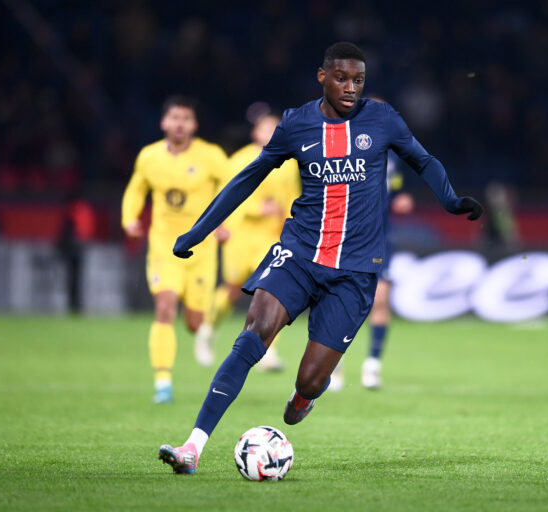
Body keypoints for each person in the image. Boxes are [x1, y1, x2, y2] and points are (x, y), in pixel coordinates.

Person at [158, 42, 483, 474]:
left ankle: (303, 398)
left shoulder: (382, 119)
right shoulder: (296, 124)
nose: (351, 88)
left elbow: (423, 161)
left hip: (354, 272)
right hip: (299, 254)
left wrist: (451, 200)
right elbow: (247, 179)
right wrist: (197, 232)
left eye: (359, 80)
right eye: (342, 78)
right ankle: (192, 448)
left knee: (310, 379)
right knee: (253, 337)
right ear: (322, 77)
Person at [122, 95, 229, 404]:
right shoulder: (149, 156)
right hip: (164, 248)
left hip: (201, 252)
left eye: (186, 118)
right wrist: (129, 220)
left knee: (194, 323)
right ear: (164, 122)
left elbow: (234, 189)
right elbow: (136, 190)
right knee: (165, 306)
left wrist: (224, 222)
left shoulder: (211, 156)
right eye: (175, 118)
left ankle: (204, 329)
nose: (180, 124)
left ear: (194, 125)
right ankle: (162, 381)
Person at [212, 112, 301, 371]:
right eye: (266, 127)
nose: (271, 132)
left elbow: (292, 197)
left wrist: (291, 228)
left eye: (276, 128)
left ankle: (269, 351)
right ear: (255, 132)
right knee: (231, 288)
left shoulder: (289, 163)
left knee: (272, 292)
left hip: (270, 237)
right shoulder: (239, 159)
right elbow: (227, 195)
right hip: (240, 234)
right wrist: (222, 223)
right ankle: (209, 326)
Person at [329, 148, 414, 391]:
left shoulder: (392, 156)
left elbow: (396, 186)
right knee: (341, 303)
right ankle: (334, 366)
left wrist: (401, 197)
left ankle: (372, 366)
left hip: (379, 239)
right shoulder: (342, 149)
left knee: (380, 300)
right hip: (345, 238)